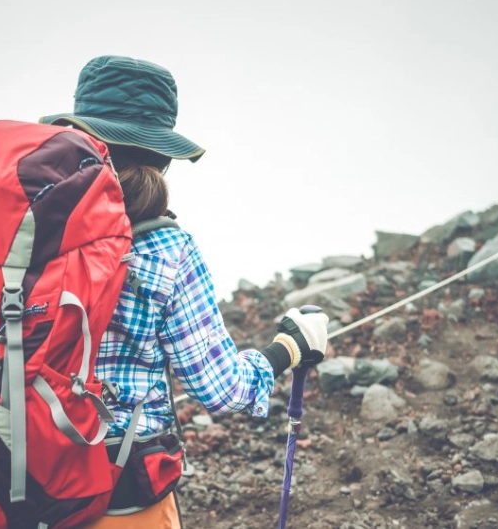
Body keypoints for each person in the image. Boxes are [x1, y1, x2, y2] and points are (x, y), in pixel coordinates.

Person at [40, 55, 330, 528]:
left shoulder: (22, 236)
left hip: (14, 481)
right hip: (116, 491)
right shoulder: (164, 247)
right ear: (161, 156)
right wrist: (288, 349)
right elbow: (223, 389)